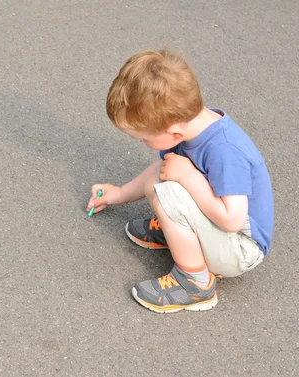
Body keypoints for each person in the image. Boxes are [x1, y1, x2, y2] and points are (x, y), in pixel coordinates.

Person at [86, 49, 274, 313]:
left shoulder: (225, 150)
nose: (143, 144)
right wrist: (117, 194)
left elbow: (233, 220)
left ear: (173, 132)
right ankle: (181, 234)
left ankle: (195, 283)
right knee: (167, 170)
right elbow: (158, 172)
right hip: (221, 232)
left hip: (241, 249)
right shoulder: (189, 129)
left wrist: (188, 177)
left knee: (170, 192)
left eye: (143, 138)